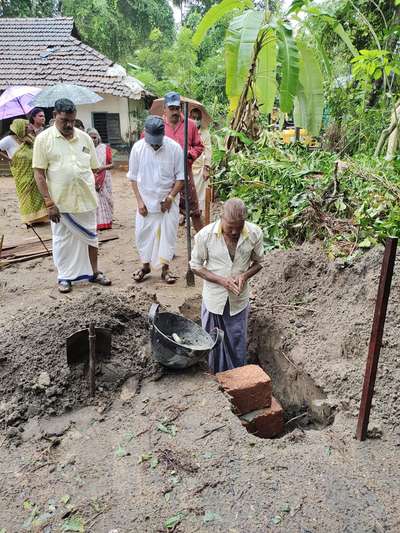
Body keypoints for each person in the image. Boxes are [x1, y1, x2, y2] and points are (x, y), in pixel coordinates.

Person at [32, 98, 111, 293]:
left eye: (72, 121)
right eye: (64, 120)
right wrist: (49, 202)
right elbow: (39, 174)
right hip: (60, 203)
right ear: (54, 117)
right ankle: (64, 277)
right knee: (62, 240)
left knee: (91, 237)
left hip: (86, 199)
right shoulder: (43, 139)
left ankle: (94, 273)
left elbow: (94, 167)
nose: (68, 125)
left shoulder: (84, 138)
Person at [190, 198, 264, 373]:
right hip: (214, 300)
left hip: (238, 302)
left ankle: (237, 378)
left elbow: (259, 262)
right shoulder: (205, 236)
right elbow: (195, 266)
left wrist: (244, 276)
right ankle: (214, 380)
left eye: (238, 227)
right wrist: (221, 280)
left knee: (236, 342)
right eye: (229, 226)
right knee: (212, 342)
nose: (233, 231)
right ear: (221, 217)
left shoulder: (254, 233)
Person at [128, 115, 184, 285]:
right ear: (145, 134)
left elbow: (180, 178)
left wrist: (170, 197)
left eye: (157, 140)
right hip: (145, 201)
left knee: (168, 235)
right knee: (143, 234)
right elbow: (133, 177)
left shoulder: (174, 148)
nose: (154, 144)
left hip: (168, 201)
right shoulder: (138, 148)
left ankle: (165, 269)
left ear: (163, 133)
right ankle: (145, 267)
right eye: (151, 140)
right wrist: (139, 201)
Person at [163, 92, 204, 232]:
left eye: (177, 108)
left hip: (185, 173)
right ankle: (167, 249)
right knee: (166, 211)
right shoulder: (160, 126)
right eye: (171, 108)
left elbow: (199, 146)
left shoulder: (190, 125)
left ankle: (203, 242)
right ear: (165, 109)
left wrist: (189, 154)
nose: (175, 111)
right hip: (166, 176)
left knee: (194, 211)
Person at [6, 119, 47, 224]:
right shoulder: (9, 140)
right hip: (21, 172)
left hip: (33, 170)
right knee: (26, 194)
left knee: (37, 193)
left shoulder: (29, 138)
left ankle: (39, 218)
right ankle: (29, 219)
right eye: (27, 125)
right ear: (21, 127)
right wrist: (8, 158)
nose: (30, 127)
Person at [87, 128, 113, 230]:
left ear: (98, 137)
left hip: (105, 178)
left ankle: (106, 221)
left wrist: (102, 168)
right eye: (91, 138)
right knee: (94, 200)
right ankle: (97, 223)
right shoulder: (85, 149)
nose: (93, 140)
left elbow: (112, 164)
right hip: (91, 177)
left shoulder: (105, 148)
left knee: (106, 199)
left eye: (95, 137)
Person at [190, 107, 212, 214]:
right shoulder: (186, 131)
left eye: (198, 118)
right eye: (193, 117)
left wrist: (207, 168)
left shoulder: (205, 133)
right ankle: (185, 215)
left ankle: (199, 213)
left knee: (201, 195)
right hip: (188, 166)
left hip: (201, 168)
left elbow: (208, 150)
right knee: (188, 193)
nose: (195, 120)